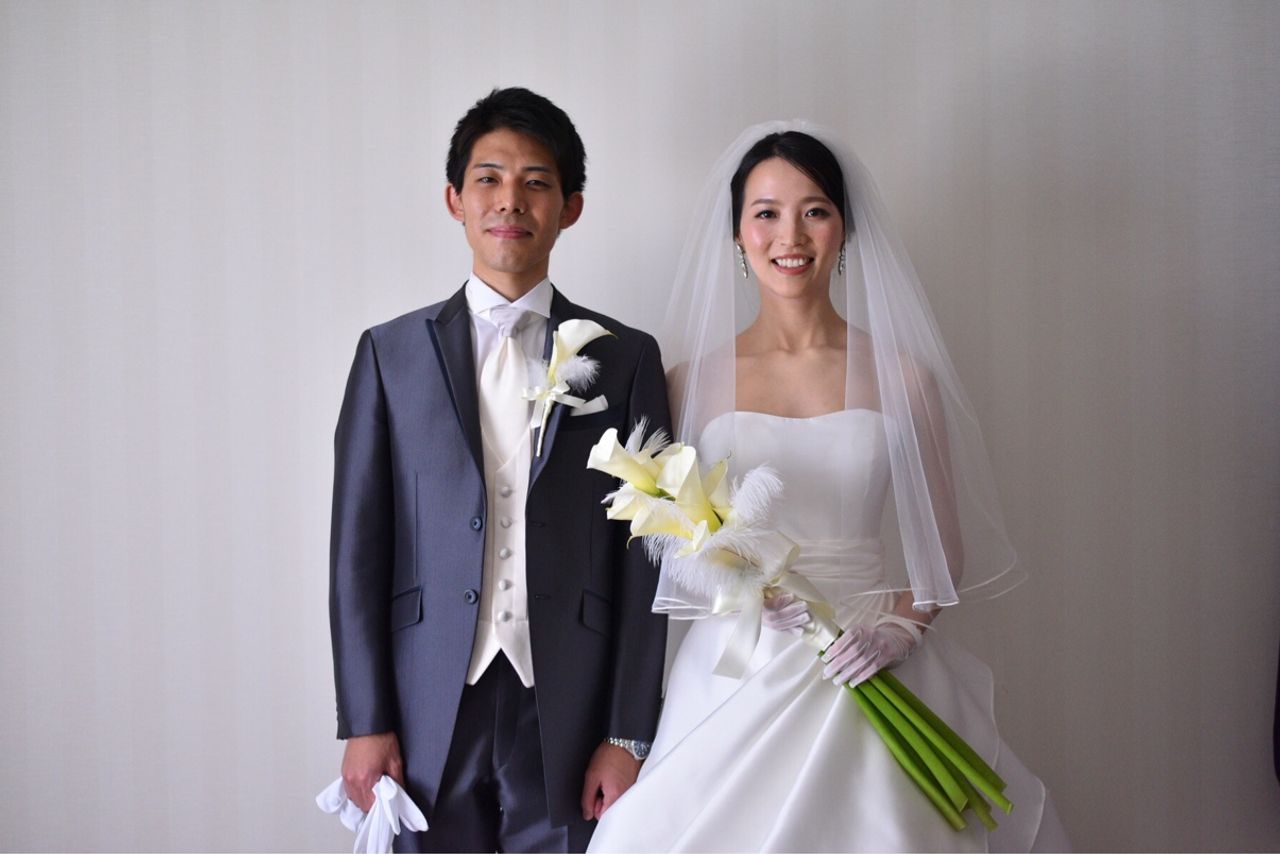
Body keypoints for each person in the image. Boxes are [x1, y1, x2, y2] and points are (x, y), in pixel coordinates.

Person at [587, 123, 1071, 851]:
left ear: (845, 228)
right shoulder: (689, 382)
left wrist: (899, 630)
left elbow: (942, 552)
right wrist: (735, 585)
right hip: (736, 668)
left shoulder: (902, 377)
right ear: (738, 233)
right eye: (766, 213)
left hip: (868, 652)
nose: (791, 236)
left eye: (814, 211)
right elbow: (665, 542)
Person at [329, 87, 670, 853]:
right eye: (488, 178)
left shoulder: (627, 358)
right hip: (424, 699)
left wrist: (627, 732)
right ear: (455, 199)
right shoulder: (389, 354)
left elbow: (646, 558)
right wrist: (365, 719)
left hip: (571, 701)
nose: (510, 200)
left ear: (570, 207)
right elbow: (357, 551)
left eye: (536, 181)